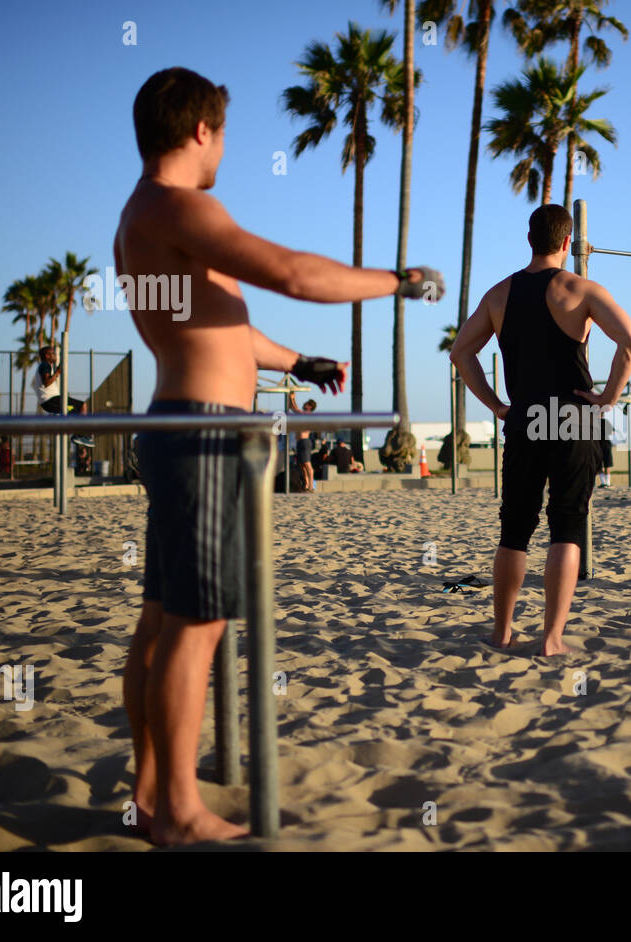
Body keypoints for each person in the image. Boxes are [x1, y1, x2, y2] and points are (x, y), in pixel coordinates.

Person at [115, 66, 444, 845]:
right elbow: (292, 272)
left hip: (180, 427)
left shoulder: (142, 217)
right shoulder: (180, 204)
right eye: (223, 132)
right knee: (198, 624)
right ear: (202, 130)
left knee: (162, 623)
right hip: (201, 436)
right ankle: (181, 813)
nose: (224, 147)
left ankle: (151, 791)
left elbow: (220, 326)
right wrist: (399, 281)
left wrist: (299, 364)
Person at [450, 203, 631, 657]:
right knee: (567, 525)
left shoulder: (499, 295)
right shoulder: (582, 290)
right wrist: (609, 397)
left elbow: (461, 352)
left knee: (515, 528)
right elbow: (630, 342)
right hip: (574, 416)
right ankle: (551, 639)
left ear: (529, 239)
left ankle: (501, 633)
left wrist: (497, 404)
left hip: (524, 419)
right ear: (566, 244)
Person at [33, 345, 95, 447]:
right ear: (47, 355)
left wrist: (57, 369)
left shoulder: (46, 366)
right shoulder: (45, 365)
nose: (55, 355)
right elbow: (46, 382)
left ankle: (78, 433)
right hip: (51, 400)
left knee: (76, 412)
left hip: (49, 402)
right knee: (82, 406)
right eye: (53, 353)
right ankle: (80, 435)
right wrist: (57, 372)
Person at [288, 390, 317, 492]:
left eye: (306, 404)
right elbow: (293, 408)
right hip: (300, 442)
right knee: (302, 464)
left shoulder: (307, 414)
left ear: (309, 407)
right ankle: (307, 484)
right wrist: (292, 398)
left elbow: (295, 409)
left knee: (307, 464)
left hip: (305, 441)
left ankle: (311, 485)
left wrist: (292, 398)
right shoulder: (302, 413)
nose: (304, 404)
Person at [597, 414, 614, 488]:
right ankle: (607, 482)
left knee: (599, 464)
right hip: (606, 443)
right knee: (607, 463)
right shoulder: (605, 422)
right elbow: (612, 432)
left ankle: (603, 482)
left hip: (597, 444)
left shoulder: (592, 422)